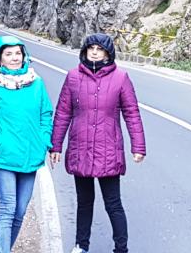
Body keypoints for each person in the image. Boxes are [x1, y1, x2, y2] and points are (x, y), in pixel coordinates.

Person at [50, 33, 146, 253]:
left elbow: (132, 113)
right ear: (84, 51)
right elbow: (63, 112)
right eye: (90, 48)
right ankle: (81, 245)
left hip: (108, 149)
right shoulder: (73, 77)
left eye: (99, 49)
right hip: (81, 148)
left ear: (108, 53)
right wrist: (56, 145)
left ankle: (121, 248)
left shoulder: (121, 78)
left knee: (113, 203)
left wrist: (138, 146)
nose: (94, 52)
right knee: (84, 202)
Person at [0, 34, 54, 253]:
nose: (14, 58)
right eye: (8, 54)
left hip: (31, 156)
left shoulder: (36, 83)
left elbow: (46, 114)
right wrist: (1, 141)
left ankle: (5, 248)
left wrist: (43, 140)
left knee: (20, 211)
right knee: (8, 208)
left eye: (18, 53)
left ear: (24, 55)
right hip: (4, 157)